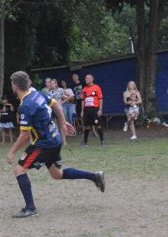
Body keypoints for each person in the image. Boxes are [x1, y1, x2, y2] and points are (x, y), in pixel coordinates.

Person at [6, 70, 104, 218]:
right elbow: (55, 104)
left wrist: (12, 152)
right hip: (55, 138)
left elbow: (24, 135)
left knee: (19, 170)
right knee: (57, 174)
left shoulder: (26, 105)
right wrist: (62, 121)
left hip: (43, 143)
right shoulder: (37, 94)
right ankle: (95, 176)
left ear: (15, 86)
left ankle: (30, 208)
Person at [80, 74, 104, 146]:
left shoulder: (97, 87)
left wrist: (100, 109)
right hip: (87, 110)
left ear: (92, 79)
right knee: (87, 126)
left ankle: (102, 142)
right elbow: (83, 100)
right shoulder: (84, 89)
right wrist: (82, 111)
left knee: (98, 125)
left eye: (87, 78)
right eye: (85, 78)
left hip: (94, 110)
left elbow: (100, 99)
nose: (86, 79)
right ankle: (85, 143)